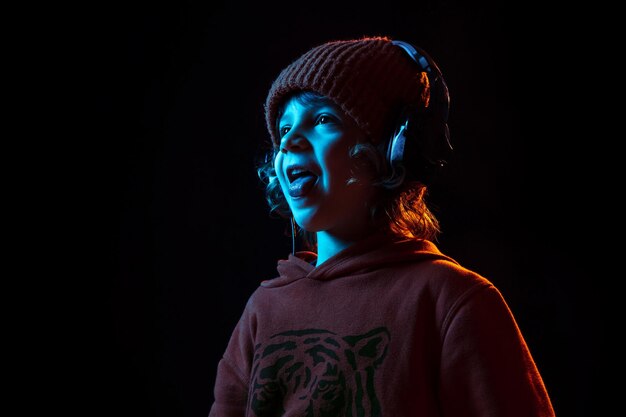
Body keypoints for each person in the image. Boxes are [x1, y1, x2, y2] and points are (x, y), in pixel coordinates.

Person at [208, 36, 555, 417]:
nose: (289, 140)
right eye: (284, 127)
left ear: (393, 148)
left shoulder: (452, 301)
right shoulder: (263, 310)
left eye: (323, 119)